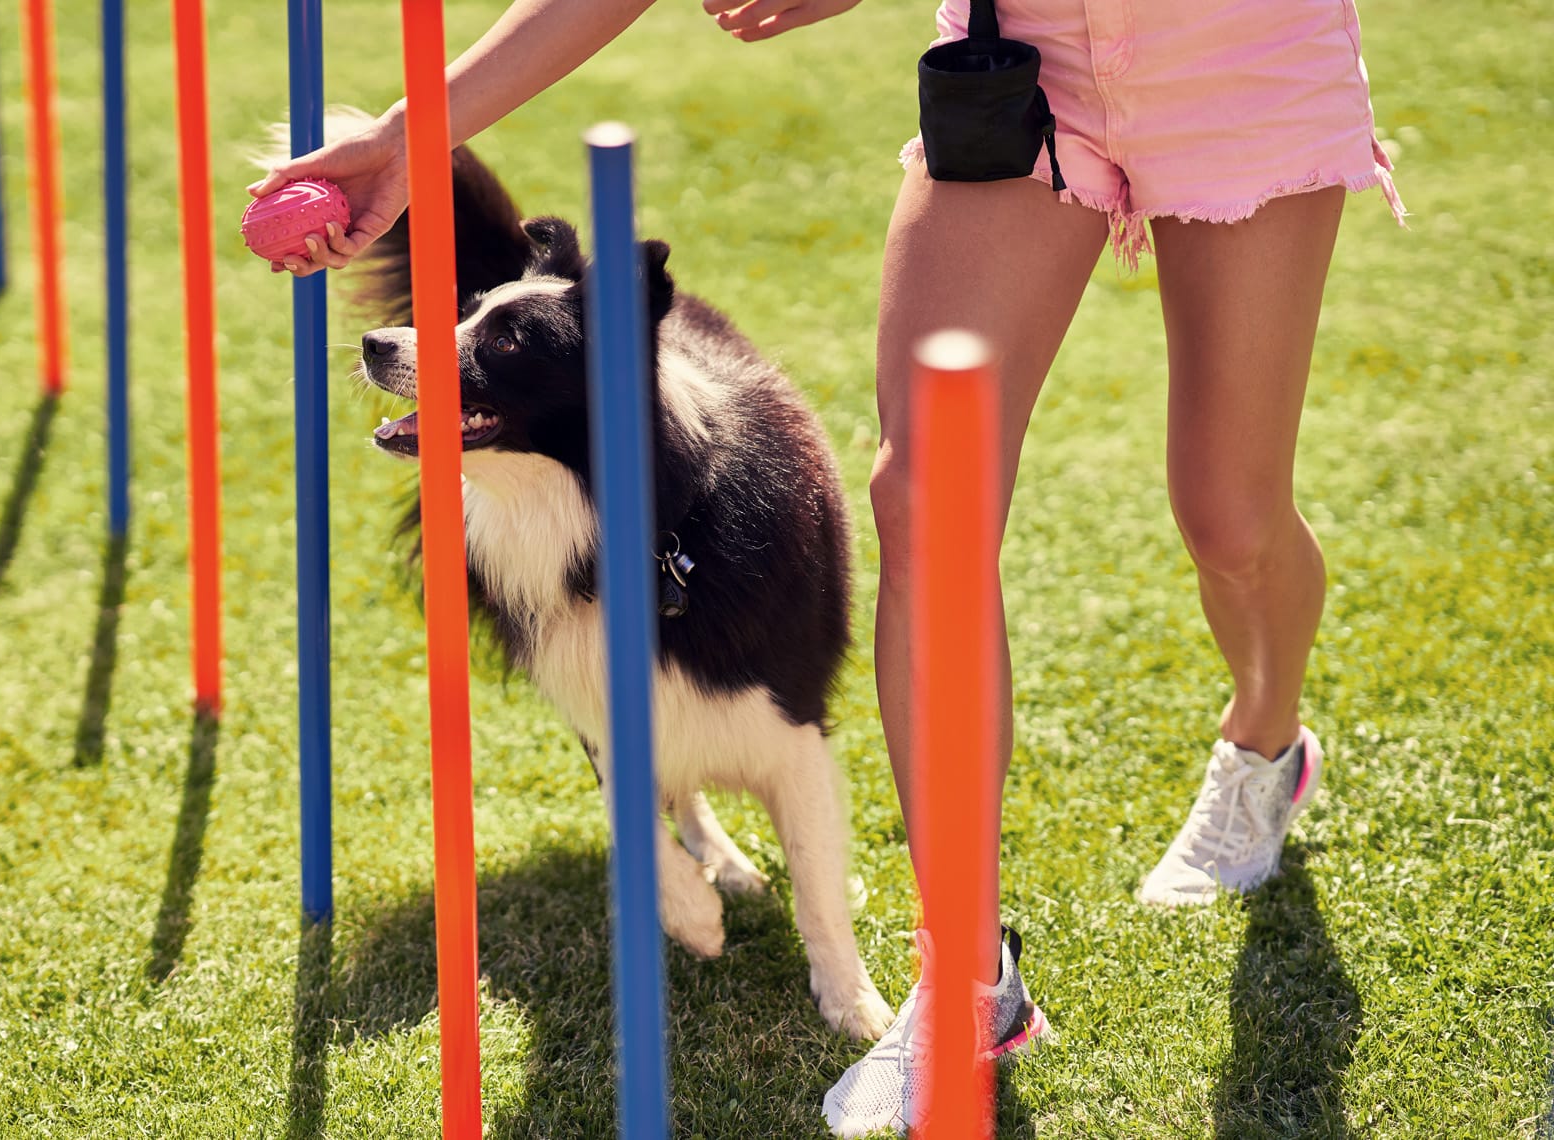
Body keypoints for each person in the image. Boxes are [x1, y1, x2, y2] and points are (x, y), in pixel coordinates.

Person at [255, 0, 1404, 1132]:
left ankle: (1265, 746)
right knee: (921, 500)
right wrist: (410, 140)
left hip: (1237, 53)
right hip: (1025, 62)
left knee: (1230, 519)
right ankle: (968, 979)